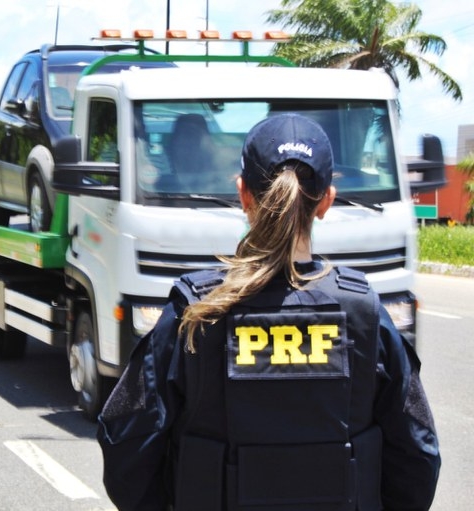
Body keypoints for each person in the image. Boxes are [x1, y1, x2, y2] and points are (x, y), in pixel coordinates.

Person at [97, 113, 440, 511]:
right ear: (327, 201)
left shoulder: (198, 309)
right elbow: (418, 454)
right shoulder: (363, 312)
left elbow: (127, 446)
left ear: (243, 194)